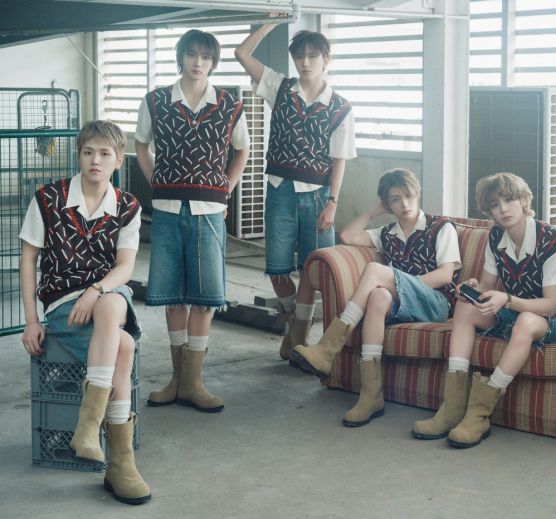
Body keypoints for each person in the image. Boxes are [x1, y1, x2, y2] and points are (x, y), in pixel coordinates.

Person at [19, 120, 150, 504]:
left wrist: (95, 290)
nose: (96, 160)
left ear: (118, 160)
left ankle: (89, 428)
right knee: (124, 346)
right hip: (63, 304)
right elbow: (28, 259)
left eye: (105, 154)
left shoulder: (128, 206)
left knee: (110, 302)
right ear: (79, 155)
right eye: (88, 152)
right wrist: (31, 320)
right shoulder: (48, 199)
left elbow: (125, 267)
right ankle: (120, 463)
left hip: (108, 292)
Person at [412, 173, 556, 448]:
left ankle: (479, 413)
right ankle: (452, 406)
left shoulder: (554, 242)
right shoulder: (496, 236)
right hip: (514, 311)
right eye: (494, 204)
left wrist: (507, 300)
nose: (503, 209)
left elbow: (550, 306)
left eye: (509, 199)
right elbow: (487, 285)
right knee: (465, 307)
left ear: (524, 200)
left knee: (526, 321)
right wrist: (472, 287)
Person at [291, 169, 461, 427]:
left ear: (417, 194)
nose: (404, 204)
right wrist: (373, 212)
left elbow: (446, 275)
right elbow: (347, 236)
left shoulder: (441, 227)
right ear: (387, 204)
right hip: (401, 302)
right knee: (378, 296)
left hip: (436, 303)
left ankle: (328, 348)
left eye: (408, 196)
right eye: (395, 199)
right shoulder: (387, 233)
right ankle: (371, 395)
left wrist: (403, 284)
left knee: (374, 271)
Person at [136, 29, 250, 413]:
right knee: (172, 296)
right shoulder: (155, 101)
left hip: (210, 211)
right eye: (192, 54)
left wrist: (226, 188)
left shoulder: (230, 104)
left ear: (213, 62)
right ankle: (177, 380)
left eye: (205, 56)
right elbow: (140, 143)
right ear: (181, 57)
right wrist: (156, 181)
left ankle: (193, 381)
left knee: (204, 297)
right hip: (167, 209)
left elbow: (243, 149)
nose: (198, 62)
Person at [235, 24, 356, 362]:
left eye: (313, 56)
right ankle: (294, 322)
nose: (305, 62)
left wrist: (333, 203)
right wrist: (270, 22)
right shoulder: (280, 87)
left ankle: (298, 336)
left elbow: (339, 160)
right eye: (299, 56)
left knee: (312, 271)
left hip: (318, 197)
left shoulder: (340, 107)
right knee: (277, 269)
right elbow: (241, 54)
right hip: (280, 192)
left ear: (326, 59)